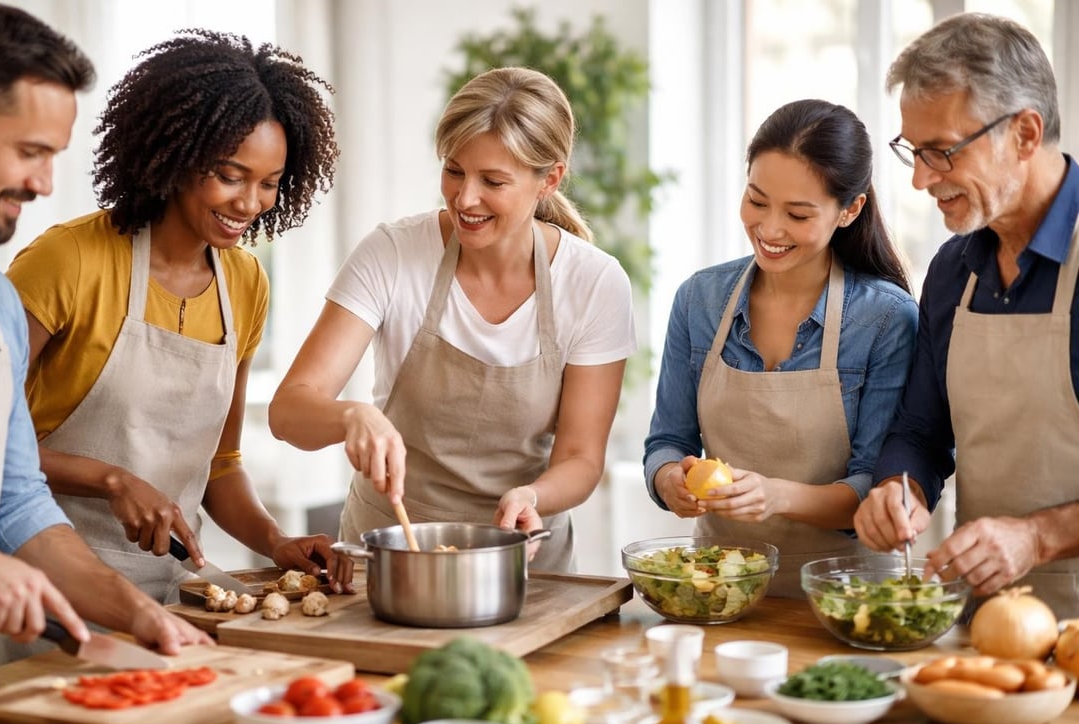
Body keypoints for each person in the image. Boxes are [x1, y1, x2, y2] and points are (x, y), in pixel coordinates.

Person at [0, 2, 210, 708]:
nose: (44, 184)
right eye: (30, 152)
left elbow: (18, 505)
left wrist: (139, 613)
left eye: (53, 156)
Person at [4, 29, 348, 621]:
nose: (249, 203)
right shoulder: (67, 261)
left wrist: (274, 543)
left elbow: (220, 465)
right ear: (179, 153)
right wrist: (112, 480)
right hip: (47, 583)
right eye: (230, 174)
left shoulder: (246, 285)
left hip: (172, 590)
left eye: (269, 183)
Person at [269, 67, 637, 571]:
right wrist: (352, 415)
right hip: (390, 555)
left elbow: (581, 457)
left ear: (548, 179)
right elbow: (289, 412)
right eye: (454, 170)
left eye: (494, 181)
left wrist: (533, 496)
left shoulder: (594, 282)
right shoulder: (394, 254)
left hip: (522, 569)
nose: (465, 198)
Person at [644, 99, 918, 597]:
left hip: (851, 596)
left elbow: (874, 488)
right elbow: (667, 439)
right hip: (721, 586)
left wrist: (774, 496)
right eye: (756, 200)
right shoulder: (699, 300)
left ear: (849, 210)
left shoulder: (884, 319)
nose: (769, 229)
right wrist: (668, 479)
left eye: (797, 214)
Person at [854, 13, 1079, 617]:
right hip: (985, 628)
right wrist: (897, 487)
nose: (923, 178)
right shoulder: (954, 270)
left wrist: (1037, 536)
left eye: (943, 151)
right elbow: (922, 433)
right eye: (913, 151)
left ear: (1026, 135)